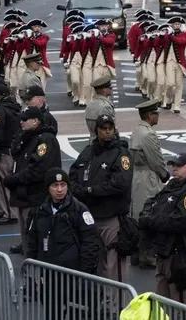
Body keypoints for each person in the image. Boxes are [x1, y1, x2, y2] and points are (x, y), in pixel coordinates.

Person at [26, 168, 101, 319]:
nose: (59, 190)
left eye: (62, 185)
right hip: (49, 277)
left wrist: (84, 273)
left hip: (74, 278)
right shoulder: (39, 212)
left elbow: (91, 241)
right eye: (55, 185)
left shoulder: (79, 210)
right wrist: (31, 272)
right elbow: (33, 243)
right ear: (48, 188)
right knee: (52, 314)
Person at [139, 152, 186, 306]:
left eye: (179, 165)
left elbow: (181, 221)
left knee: (181, 304)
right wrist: (150, 217)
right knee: (161, 301)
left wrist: (151, 221)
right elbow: (152, 203)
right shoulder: (172, 185)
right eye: (173, 165)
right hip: (165, 250)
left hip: (182, 252)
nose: (174, 168)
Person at [68, 113, 134, 283]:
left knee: (114, 264)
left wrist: (90, 190)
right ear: (96, 130)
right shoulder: (88, 152)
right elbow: (74, 172)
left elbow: (120, 183)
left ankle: (118, 304)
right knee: (96, 261)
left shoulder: (121, 153)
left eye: (110, 128)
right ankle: (104, 301)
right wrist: (76, 189)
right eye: (103, 129)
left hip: (111, 216)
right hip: (90, 215)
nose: (107, 132)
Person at [4, 105, 61, 256]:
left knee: (36, 241)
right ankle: (31, 273)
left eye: (25, 119)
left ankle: (39, 275)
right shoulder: (27, 138)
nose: (21, 122)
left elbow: (38, 170)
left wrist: (14, 180)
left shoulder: (44, 140)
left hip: (36, 198)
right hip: (24, 196)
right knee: (26, 238)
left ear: (35, 121)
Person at [128, 99, 168, 268]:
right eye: (156, 113)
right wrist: (164, 174)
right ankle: (148, 255)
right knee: (150, 214)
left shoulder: (137, 131)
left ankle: (137, 253)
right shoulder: (148, 134)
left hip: (137, 175)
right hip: (148, 176)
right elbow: (156, 159)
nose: (158, 116)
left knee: (137, 213)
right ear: (150, 115)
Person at [0, 83, 21, 226]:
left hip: (1, 151)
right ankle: (3, 208)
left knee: (2, 183)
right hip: (11, 149)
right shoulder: (14, 108)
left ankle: (9, 213)